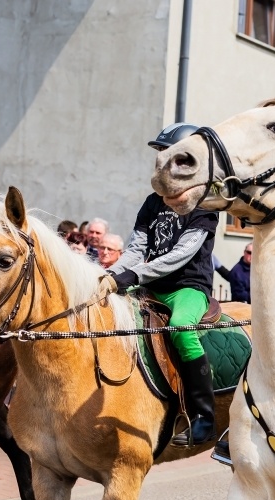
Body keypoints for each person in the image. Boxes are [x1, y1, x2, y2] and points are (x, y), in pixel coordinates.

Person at [105, 121, 220, 447]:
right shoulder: (153, 201)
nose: (164, 163)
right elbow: (136, 248)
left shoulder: (204, 203)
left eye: (172, 157)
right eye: (161, 157)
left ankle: (203, 417)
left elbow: (182, 255)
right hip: (150, 286)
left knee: (183, 328)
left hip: (187, 286)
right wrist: (112, 275)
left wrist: (135, 275)